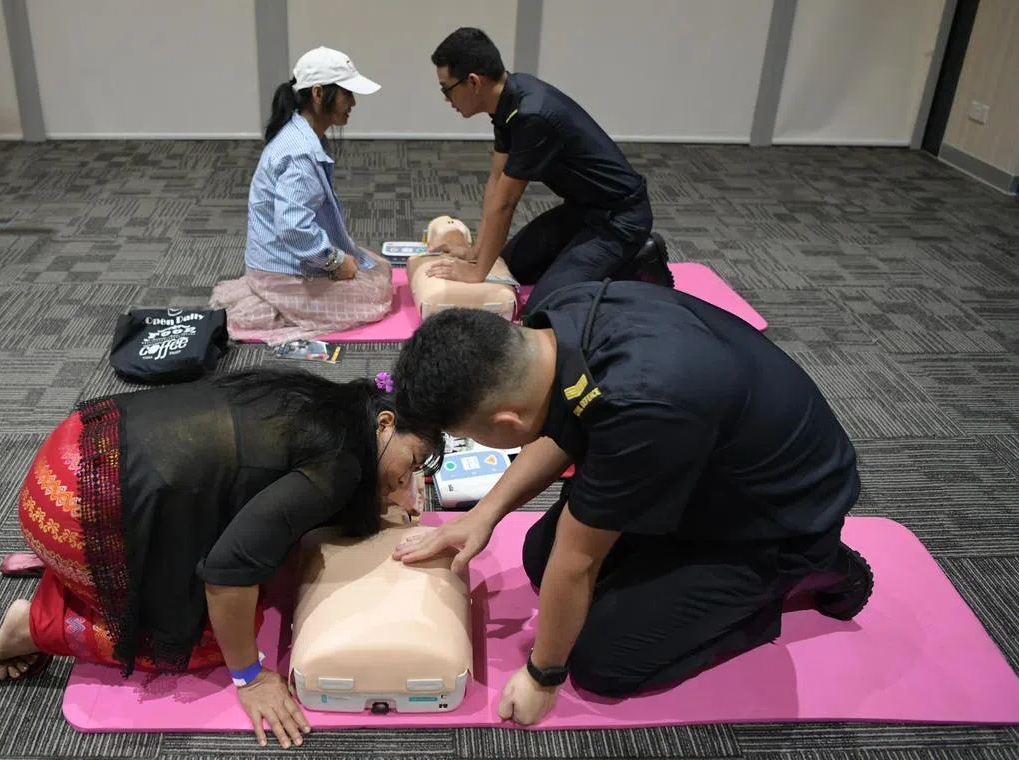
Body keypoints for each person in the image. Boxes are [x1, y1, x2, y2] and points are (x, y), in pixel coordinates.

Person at [389, 280, 874, 726]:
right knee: (541, 557)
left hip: (778, 520)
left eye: (470, 436)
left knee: (603, 662)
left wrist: (543, 676)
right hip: (701, 468)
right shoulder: (551, 327)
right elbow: (565, 420)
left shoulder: (644, 406)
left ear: (506, 422)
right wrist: (483, 515)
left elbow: (579, 561)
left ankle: (818, 568)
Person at [0, 368, 443, 749]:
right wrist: (251, 677)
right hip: (76, 503)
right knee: (207, 643)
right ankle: (35, 625)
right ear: (385, 424)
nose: (410, 482)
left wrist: (386, 498)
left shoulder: (326, 404)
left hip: (79, 445)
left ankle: (75, 574)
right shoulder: (340, 465)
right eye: (413, 463)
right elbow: (227, 576)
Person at [423, 27, 673, 313]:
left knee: (543, 310)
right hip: (581, 210)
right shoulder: (507, 103)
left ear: (473, 82)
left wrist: (477, 272)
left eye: (447, 89)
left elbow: (506, 204)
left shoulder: (533, 115)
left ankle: (638, 263)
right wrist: (477, 253)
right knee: (511, 267)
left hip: (621, 219)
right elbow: (496, 181)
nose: (446, 99)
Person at [210, 46, 394, 344]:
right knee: (375, 297)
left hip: (277, 259)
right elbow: (292, 226)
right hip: (282, 269)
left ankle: (273, 296)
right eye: (347, 94)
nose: (354, 103)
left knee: (380, 270)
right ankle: (269, 306)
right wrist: (334, 261)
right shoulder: (300, 154)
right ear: (319, 94)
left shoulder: (298, 132)